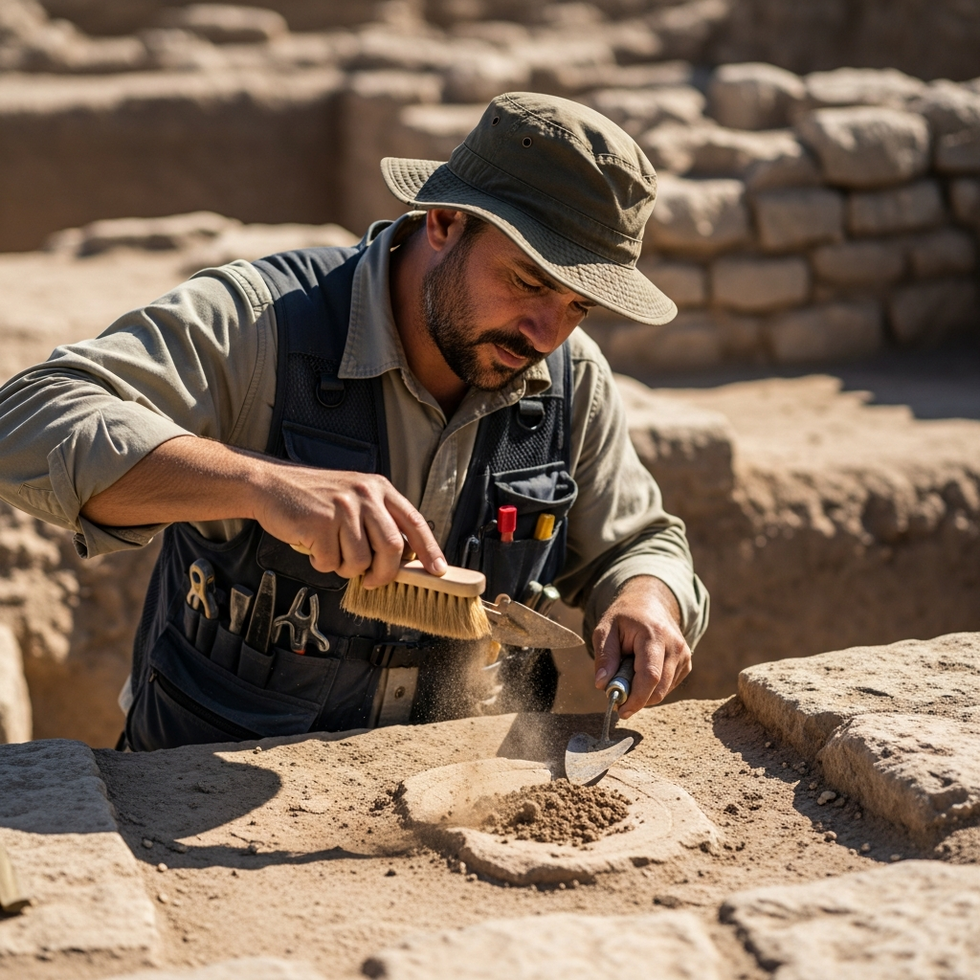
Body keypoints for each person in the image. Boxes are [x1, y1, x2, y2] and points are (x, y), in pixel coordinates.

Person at [0, 91, 708, 750]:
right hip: (195, 806)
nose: (547, 333)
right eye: (528, 282)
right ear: (444, 222)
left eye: (579, 306)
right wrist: (263, 486)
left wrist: (648, 595)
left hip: (449, 821)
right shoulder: (262, 324)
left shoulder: (571, 377)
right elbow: (28, 418)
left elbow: (639, 539)